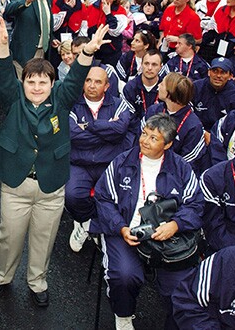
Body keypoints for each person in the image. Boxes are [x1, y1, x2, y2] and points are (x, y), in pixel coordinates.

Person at [0, 16, 111, 307]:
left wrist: (88, 51)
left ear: (53, 84)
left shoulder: (62, 100)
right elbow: (4, 75)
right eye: (32, 81)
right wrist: (3, 46)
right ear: (24, 83)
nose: (38, 87)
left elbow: (77, 75)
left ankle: (37, 281)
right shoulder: (14, 100)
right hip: (16, 184)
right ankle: (2, 277)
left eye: (44, 82)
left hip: (51, 187)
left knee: (44, 238)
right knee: (9, 237)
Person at [94, 113, 204, 330]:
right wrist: (121, 227)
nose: (144, 140)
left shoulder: (181, 168)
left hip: (167, 237)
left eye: (154, 138)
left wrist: (176, 225)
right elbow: (103, 198)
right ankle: (123, 314)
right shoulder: (122, 162)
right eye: (144, 134)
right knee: (124, 277)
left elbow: (195, 204)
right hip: (127, 232)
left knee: (180, 288)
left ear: (168, 144)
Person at [66, 66, 133, 252]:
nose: (92, 85)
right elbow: (72, 134)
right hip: (80, 163)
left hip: (110, 164)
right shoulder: (72, 103)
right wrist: (106, 133)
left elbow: (120, 130)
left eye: (97, 82)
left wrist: (87, 126)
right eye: (88, 80)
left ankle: (98, 225)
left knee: (118, 197)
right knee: (72, 196)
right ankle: (85, 222)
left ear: (106, 86)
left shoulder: (119, 104)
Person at [143, 72, 209, 175]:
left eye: (163, 84)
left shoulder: (193, 126)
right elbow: (141, 139)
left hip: (173, 174)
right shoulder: (154, 110)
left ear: (171, 92)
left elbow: (188, 161)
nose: (158, 86)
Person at [4, 0, 55, 72]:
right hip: (24, 54)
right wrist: (25, 2)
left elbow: (44, 24)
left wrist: (52, 39)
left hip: (43, 53)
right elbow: (8, 12)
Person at [192, 56, 235, 142]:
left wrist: (214, 138)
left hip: (221, 138)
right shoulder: (196, 87)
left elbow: (233, 124)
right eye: (215, 71)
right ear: (209, 72)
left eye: (223, 72)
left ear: (230, 76)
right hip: (196, 133)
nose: (218, 76)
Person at [121, 49, 164, 141]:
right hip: (135, 133)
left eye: (154, 65)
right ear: (141, 65)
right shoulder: (130, 87)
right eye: (146, 63)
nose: (149, 68)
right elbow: (129, 116)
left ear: (161, 67)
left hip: (160, 133)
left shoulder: (166, 88)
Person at [115, 29, 157, 93]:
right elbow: (119, 77)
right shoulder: (127, 57)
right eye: (133, 39)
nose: (132, 43)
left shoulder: (153, 59)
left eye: (137, 41)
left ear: (146, 46)